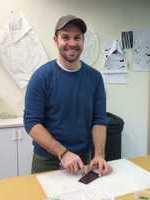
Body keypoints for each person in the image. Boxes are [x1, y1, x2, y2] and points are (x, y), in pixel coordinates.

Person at [23, 15, 110, 176]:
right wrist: (63, 153)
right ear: (56, 40)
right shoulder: (41, 77)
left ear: (83, 41)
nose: (72, 43)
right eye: (65, 37)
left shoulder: (95, 78)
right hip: (47, 160)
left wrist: (99, 155)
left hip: (83, 159)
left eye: (77, 38)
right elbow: (31, 123)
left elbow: (99, 120)